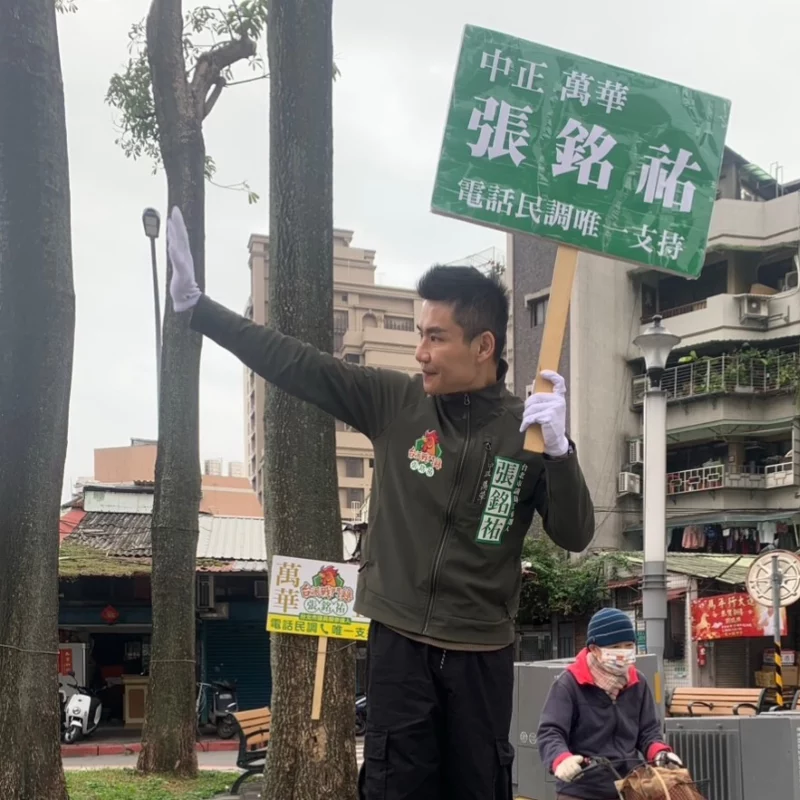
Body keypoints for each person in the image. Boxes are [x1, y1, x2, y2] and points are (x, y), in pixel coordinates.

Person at [163, 209, 596, 799]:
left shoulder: (530, 431)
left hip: (482, 654)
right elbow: (298, 364)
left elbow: (574, 533)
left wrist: (562, 454)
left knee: (480, 787)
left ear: (483, 345)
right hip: (400, 643)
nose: (420, 351)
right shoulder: (397, 403)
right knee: (395, 785)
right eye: (419, 334)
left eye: (435, 337)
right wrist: (199, 309)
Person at [536, 608, 682, 800]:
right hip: (581, 788)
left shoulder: (638, 682)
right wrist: (561, 759)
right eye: (615, 647)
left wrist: (659, 753)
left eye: (628, 645)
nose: (623, 652)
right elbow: (550, 732)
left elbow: (648, 731)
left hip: (630, 786)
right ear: (594, 649)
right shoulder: (569, 684)